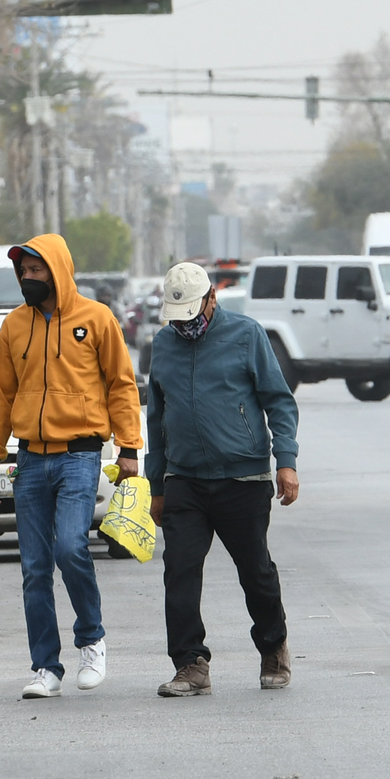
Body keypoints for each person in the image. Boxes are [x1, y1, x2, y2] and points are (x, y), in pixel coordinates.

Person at [0, 234, 143, 699]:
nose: (28, 279)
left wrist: (129, 448)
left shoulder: (96, 319)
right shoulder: (13, 326)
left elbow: (121, 384)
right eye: (23, 273)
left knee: (71, 547)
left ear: (57, 270)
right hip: (30, 459)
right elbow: (1, 396)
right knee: (34, 567)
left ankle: (91, 640)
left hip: (80, 455)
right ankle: (46, 668)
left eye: (36, 271)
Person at [146, 261, 300, 697]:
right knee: (179, 571)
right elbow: (156, 420)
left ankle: (273, 647)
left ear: (212, 299)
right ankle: (190, 664)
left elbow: (279, 401)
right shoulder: (164, 344)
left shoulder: (246, 335)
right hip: (185, 480)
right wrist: (157, 486)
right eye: (178, 319)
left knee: (256, 572)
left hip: (243, 477)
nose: (185, 326)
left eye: (193, 315)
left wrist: (285, 461)